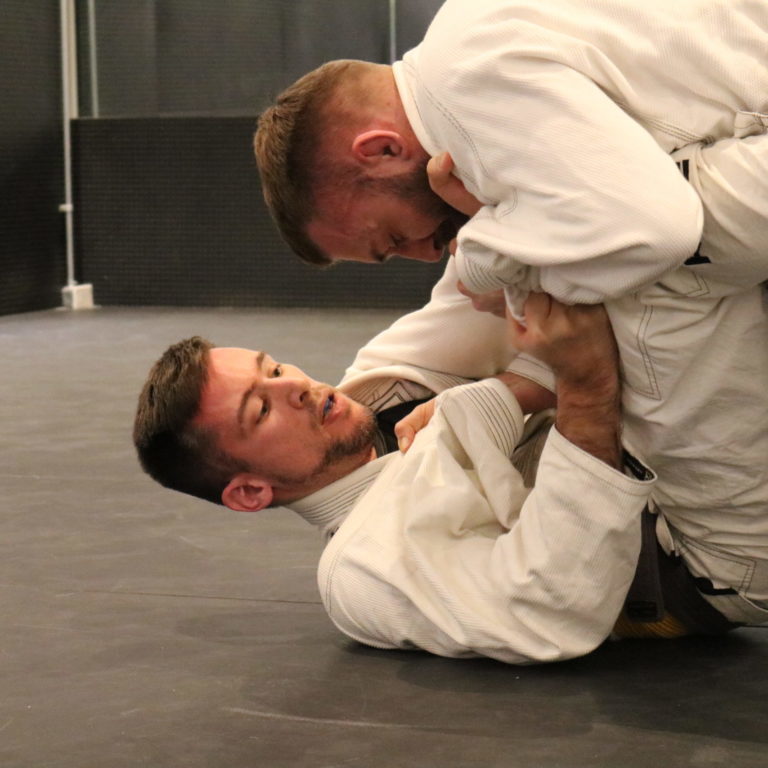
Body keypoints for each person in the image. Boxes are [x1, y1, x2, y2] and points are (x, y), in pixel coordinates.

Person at [253, 0, 768, 627]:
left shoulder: (463, 88)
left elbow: (656, 230)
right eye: (260, 401)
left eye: (393, 239)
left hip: (730, 553)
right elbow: (455, 318)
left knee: (622, 262)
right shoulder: (479, 28)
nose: (426, 254)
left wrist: (491, 263)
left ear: (382, 149)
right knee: (581, 252)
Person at [135, 297, 703, 665]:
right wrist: (580, 385)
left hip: (677, 436)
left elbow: (475, 284)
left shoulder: (385, 378)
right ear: (250, 491)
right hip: (698, 546)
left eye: (276, 369)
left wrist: (512, 389)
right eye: (261, 410)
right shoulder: (359, 571)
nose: (296, 387)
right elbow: (549, 606)